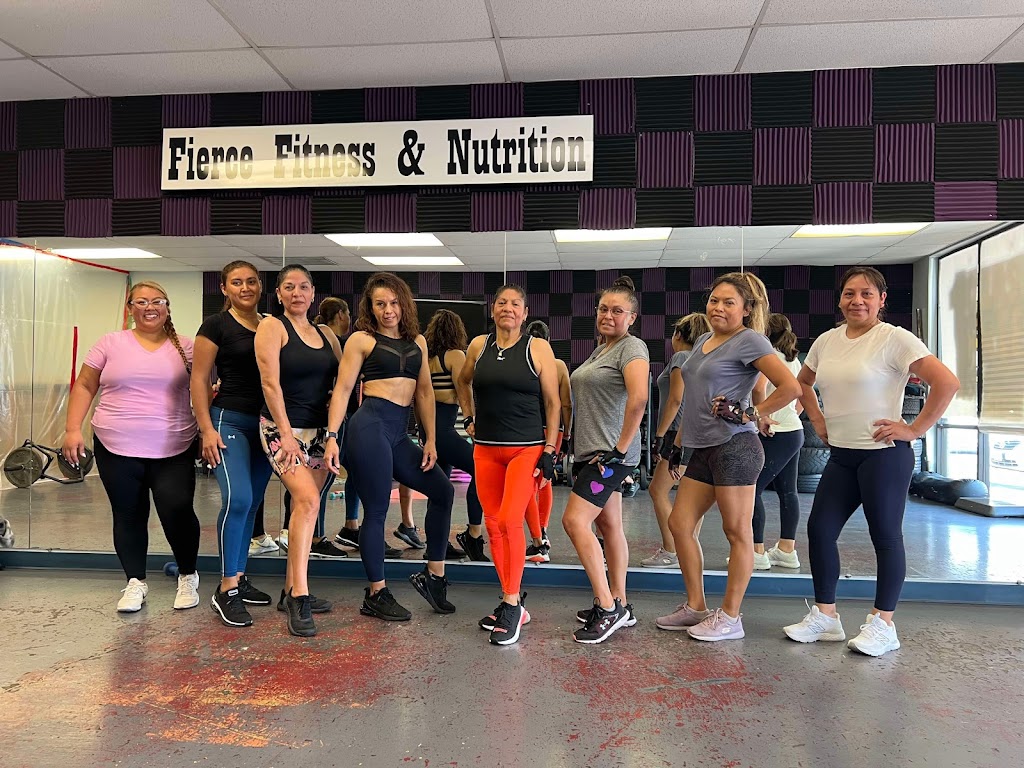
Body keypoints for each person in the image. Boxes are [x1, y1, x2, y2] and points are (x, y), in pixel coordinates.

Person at [783, 267, 959, 657]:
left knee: (886, 537)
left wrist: (914, 429)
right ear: (840, 299)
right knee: (820, 530)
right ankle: (826, 617)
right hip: (842, 455)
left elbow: (947, 382)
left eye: (866, 293)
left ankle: (884, 624)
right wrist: (817, 419)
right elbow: (802, 383)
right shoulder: (827, 341)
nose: (857, 301)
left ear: (882, 300)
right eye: (849, 293)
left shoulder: (895, 338)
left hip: (884, 456)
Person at [657, 272, 801, 641]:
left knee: (737, 531)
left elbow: (791, 387)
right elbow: (694, 397)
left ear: (747, 309)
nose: (718, 307)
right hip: (702, 447)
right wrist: (678, 442)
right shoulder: (704, 339)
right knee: (679, 523)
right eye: (714, 300)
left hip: (735, 447)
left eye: (728, 302)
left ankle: (731, 617)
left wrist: (753, 413)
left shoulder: (750, 340)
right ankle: (696, 606)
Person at [62, 281, 201, 613]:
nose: (149, 307)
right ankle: (135, 581)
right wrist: (72, 429)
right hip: (115, 444)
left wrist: (207, 430)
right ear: (130, 309)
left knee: (177, 509)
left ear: (167, 307)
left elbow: (205, 389)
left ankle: (188, 575)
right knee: (128, 513)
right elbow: (85, 384)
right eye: (141, 302)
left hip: (174, 445)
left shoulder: (187, 346)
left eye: (157, 301)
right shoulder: (110, 343)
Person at [324, 272, 456, 622]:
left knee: (443, 491)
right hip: (369, 427)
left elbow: (424, 392)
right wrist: (332, 436)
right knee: (378, 509)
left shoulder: (418, 342)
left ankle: (434, 576)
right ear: (370, 307)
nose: (388, 310)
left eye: (394, 303)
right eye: (380, 304)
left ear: (404, 304)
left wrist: (430, 439)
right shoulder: (361, 340)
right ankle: (376, 594)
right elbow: (343, 389)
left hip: (399, 434)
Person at [456, 285, 561, 645]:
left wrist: (550, 449)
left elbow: (553, 402)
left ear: (525, 313)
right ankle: (510, 598)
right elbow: (463, 381)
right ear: (493, 309)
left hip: (525, 449)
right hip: (486, 449)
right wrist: (468, 416)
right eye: (502, 302)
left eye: (516, 304)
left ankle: (512, 604)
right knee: (492, 524)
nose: (508, 308)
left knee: (510, 521)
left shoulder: (537, 348)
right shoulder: (478, 346)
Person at [254, 265, 342, 637]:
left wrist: (334, 433)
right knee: (307, 501)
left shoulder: (326, 334)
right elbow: (269, 383)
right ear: (278, 293)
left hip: (319, 431)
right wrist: (287, 434)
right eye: (289, 287)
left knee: (304, 507)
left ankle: (290, 589)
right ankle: (300, 597)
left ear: (313, 292)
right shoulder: (272, 327)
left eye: (303, 287)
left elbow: (340, 383)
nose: (297, 293)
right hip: (281, 430)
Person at [562, 276, 650, 644]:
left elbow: (639, 397)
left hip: (609, 457)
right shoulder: (602, 349)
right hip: (593, 453)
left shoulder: (632, 347)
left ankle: (607, 606)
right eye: (603, 309)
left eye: (617, 311)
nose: (608, 315)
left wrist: (620, 448)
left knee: (574, 521)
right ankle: (621, 603)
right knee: (610, 526)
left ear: (632, 317)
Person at [191, 261, 277, 627]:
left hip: (264, 425)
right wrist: (206, 429)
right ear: (224, 288)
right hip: (229, 421)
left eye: (252, 281)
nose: (246, 288)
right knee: (238, 499)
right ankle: (225, 589)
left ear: (260, 286)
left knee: (253, 502)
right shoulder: (216, 325)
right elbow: (199, 378)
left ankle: (239, 577)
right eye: (237, 282)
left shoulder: (271, 324)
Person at [641, 312, 710, 568]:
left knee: (657, 490)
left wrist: (660, 435)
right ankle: (687, 547)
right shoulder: (701, 359)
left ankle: (672, 549)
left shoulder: (681, 357)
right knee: (692, 498)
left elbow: (675, 399)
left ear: (678, 335)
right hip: (696, 433)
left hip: (677, 433)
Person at [420, 309, 489, 562]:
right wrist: (472, 420)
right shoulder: (455, 355)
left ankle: (436, 546)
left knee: (439, 490)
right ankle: (472, 535)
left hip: (429, 429)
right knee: (481, 469)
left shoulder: (427, 358)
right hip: (444, 430)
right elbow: (464, 389)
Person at [749, 313, 805, 571]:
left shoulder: (768, 356)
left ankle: (756, 552)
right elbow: (801, 396)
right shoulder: (793, 360)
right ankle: (786, 550)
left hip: (775, 432)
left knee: (751, 490)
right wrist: (788, 415)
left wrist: (762, 416)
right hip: (793, 431)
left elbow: (758, 388)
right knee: (788, 491)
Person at [523, 320, 573, 564]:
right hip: (556, 431)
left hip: (531, 430)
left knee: (529, 485)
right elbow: (566, 404)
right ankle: (542, 532)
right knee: (545, 481)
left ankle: (539, 541)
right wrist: (568, 436)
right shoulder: (558, 365)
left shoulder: (524, 362)